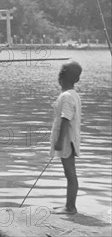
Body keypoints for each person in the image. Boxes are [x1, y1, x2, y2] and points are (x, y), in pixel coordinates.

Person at [50, 60, 82, 215]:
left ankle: (70, 207)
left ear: (60, 77)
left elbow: (65, 118)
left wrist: (59, 141)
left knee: (70, 173)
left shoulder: (67, 96)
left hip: (67, 140)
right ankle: (69, 205)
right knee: (70, 173)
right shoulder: (73, 95)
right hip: (71, 139)